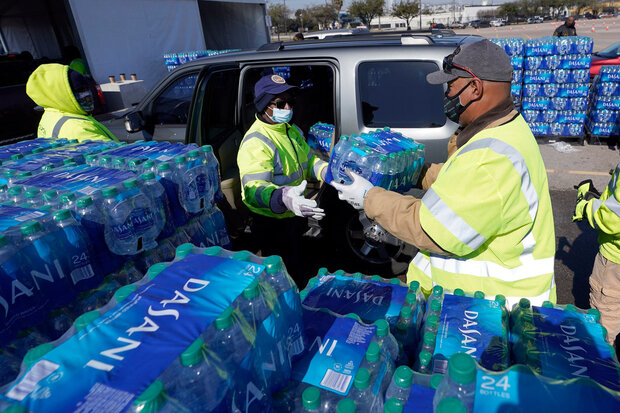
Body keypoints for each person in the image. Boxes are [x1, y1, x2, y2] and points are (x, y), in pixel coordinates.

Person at [332, 39, 556, 308]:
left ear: (474, 87)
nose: (446, 94)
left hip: (487, 311)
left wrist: (369, 198)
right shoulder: (503, 131)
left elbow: (428, 228)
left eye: (450, 86)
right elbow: (458, 181)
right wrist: (413, 173)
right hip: (478, 303)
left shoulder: (488, 160)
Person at [237, 74, 328, 285]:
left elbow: (308, 161)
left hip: (294, 215)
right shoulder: (256, 142)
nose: (287, 108)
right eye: (280, 103)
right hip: (272, 224)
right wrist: (284, 197)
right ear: (263, 106)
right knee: (285, 277)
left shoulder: (292, 131)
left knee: (298, 263)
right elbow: (253, 190)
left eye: (291, 102)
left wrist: (327, 172)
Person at [573, 174, 620, 346]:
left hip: (615, 258)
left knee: (605, 321)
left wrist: (585, 207)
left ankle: (605, 367)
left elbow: (614, 219)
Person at [26, 63, 117, 142]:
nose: (87, 94)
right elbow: (116, 155)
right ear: (61, 95)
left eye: (87, 88)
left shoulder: (51, 114)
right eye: (80, 90)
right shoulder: (78, 128)